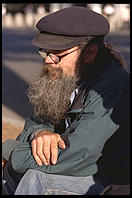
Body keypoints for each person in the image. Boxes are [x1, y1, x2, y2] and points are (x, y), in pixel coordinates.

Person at [2, 6, 130, 195]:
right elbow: (37, 121)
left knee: (37, 180)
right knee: (10, 173)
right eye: (45, 52)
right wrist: (40, 133)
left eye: (57, 55)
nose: (48, 60)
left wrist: (9, 150)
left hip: (106, 178)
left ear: (89, 53)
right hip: (79, 166)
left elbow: (76, 155)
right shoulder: (70, 76)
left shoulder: (112, 87)